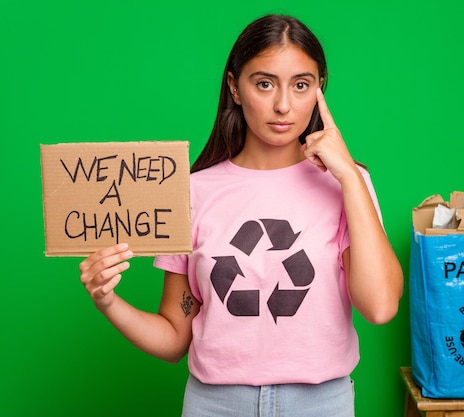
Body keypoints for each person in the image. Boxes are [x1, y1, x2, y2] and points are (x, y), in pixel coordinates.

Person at [79, 14, 403, 417]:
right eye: (264, 83)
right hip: (214, 404)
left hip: (320, 403)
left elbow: (380, 306)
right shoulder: (192, 193)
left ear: (319, 89)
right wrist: (107, 300)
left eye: (301, 85)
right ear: (234, 86)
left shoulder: (346, 185)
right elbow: (174, 339)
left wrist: (351, 179)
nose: (283, 104)